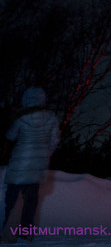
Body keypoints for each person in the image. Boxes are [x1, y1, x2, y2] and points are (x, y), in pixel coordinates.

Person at [2, 87, 60, 242]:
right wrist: (44, 156)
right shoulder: (52, 118)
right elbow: (55, 142)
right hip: (38, 167)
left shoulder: (21, 117)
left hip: (19, 165)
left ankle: (9, 233)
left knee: (13, 199)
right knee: (31, 201)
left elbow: (11, 136)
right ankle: (25, 233)